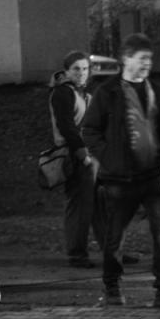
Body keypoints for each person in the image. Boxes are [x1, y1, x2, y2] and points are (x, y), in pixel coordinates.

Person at [82, 33, 160, 309]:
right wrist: (110, 159)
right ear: (126, 59)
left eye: (149, 59)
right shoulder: (107, 93)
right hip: (120, 179)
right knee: (114, 237)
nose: (147, 64)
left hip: (155, 177)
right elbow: (90, 130)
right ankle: (112, 289)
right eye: (142, 58)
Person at [50, 51, 104, 269]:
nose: (81, 73)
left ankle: (112, 248)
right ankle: (77, 254)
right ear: (66, 71)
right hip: (76, 155)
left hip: (90, 154)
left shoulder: (80, 93)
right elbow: (66, 126)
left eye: (85, 69)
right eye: (76, 69)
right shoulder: (62, 93)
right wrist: (82, 154)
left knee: (100, 203)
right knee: (80, 205)